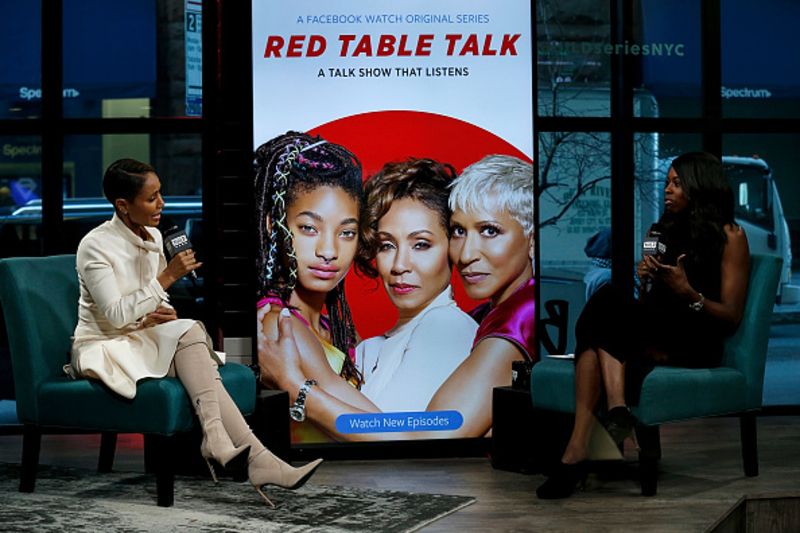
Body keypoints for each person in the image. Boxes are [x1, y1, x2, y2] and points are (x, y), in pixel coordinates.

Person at [67, 158, 319, 507]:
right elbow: (116, 314)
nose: (162, 204)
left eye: (160, 194)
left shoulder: (155, 237)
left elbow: (147, 305)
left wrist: (162, 312)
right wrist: (167, 277)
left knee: (190, 340)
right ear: (123, 206)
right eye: (151, 198)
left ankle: (236, 448)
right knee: (191, 338)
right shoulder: (95, 245)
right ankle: (246, 453)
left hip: (140, 340)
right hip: (103, 346)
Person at [258, 154, 535, 440]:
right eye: (387, 245)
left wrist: (298, 389)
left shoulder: (446, 326)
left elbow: (405, 441)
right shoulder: (367, 349)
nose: (400, 265)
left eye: (422, 245)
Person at [536, 151, 750, 499]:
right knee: (609, 299)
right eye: (667, 182)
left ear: (700, 186)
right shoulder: (658, 230)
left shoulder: (731, 236)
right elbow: (645, 290)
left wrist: (688, 292)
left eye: (677, 184)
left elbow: (732, 315)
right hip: (653, 326)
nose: (667, 190)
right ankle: (613, 417)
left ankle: (577, 453)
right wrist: (645, 275)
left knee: (600, 324)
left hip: (697, 335)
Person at [254, 131, 374, 443]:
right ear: (274, 224)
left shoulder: (333, 326)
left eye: (346, 232)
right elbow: (381, 431)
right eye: (309, 228)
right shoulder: (281, 325)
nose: (329, 250)